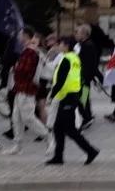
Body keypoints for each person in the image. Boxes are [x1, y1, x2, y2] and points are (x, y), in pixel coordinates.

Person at [45, 36, 99, 165]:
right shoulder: (75, 58)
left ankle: (90, 151)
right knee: (58, 127)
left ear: (67, 45)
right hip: (71, 96)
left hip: (67, 97)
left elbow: (61, 80)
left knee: (70, 130)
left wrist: (51, 95)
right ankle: (58, 157)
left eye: (61, 44)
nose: (59, 46)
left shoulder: (66, 59)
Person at [7, 27, 50, 153]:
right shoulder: (26, 51)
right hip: (20, 88)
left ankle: (49, 136)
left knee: (28, 118)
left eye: (21, 35)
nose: (19, 38)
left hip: (27, 89)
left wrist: (16, 68)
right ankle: (18, 144)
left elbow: (26, 70)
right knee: (16, 118)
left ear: (26, 36)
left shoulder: (30, 52)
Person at [74, 24, 99, 129]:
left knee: (82, 99)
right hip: (85, 77)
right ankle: (87, 117)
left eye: (78, 33)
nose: (77, 35)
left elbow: (86, 63)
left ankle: (87, 118)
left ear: (84, 34)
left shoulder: (86, 45)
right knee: (84, 98)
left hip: (83, 77)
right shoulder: (88, 44)